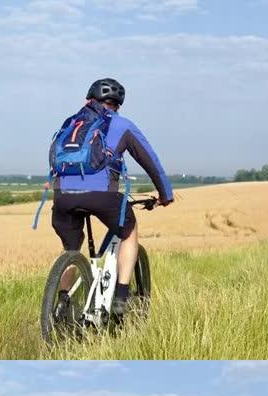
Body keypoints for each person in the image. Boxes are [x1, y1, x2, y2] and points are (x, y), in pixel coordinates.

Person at [49, 78, 175, 318]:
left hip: (62, 197)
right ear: (117, 105)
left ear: (88, 100)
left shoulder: (70, 124)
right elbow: (150, 161)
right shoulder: (121, 124)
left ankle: (62, 301)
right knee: (128, 230)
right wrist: (165, 194)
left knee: (71, 248)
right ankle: (120, 298)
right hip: (102, 196)